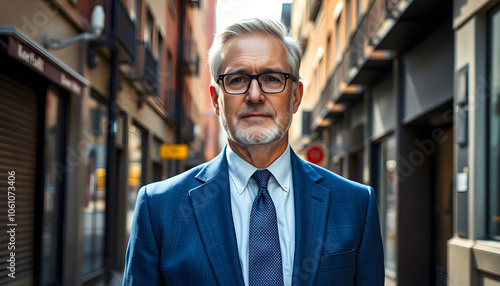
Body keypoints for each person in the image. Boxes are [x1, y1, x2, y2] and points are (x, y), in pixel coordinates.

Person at [123, 18, 384, 286]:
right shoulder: (158, 208)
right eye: (237, 80)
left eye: (272, 78)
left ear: (295, 97)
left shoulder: (356, 205)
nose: (255, 95)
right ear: (216, 100)